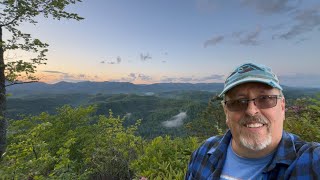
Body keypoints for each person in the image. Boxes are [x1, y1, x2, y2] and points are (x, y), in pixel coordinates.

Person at [185, 63, 320, 179]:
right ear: (226, 112)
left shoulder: (311, 162)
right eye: (238, 102)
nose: (251, 110)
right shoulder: (204, 152)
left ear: (282, 107)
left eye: (265, 99)